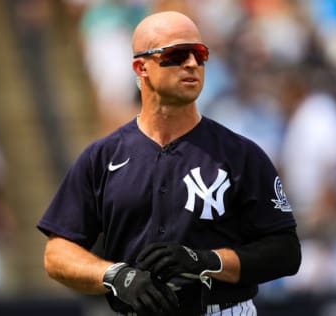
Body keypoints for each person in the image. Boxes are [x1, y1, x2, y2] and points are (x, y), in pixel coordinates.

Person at [37, 11, 301, 316]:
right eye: (176, 54)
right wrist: (116, 276)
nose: (191, 63)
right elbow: (57, 253)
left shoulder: (240, 154)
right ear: (141, 67)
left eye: (199, 54)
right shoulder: (102, 157)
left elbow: (285, 252)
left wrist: (205, 261)